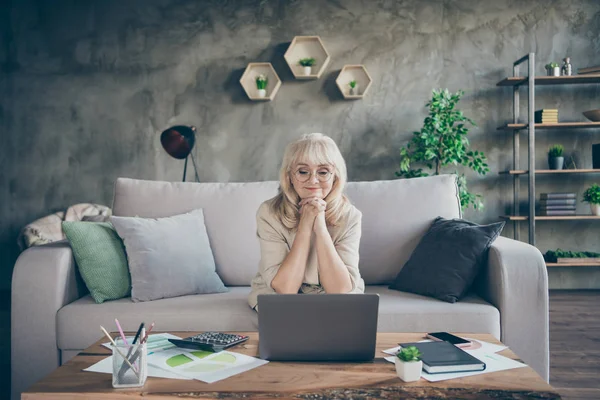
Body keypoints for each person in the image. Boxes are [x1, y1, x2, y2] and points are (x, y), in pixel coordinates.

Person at [248, 133, 365, 312]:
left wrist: (320, 226)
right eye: (303, 171)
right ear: (289, 177)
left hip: (334, 293)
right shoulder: (269, 212)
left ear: (335, 176)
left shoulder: (351, 216)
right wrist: (305, 225)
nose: (313, 180)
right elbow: (285, 289)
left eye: (323, 172)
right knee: (285, 312)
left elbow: (340, 290)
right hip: (278, 294)